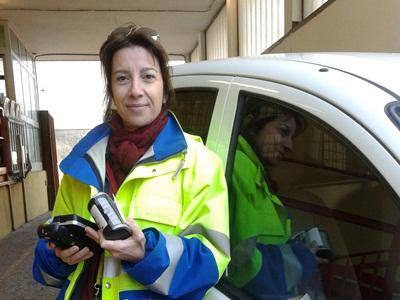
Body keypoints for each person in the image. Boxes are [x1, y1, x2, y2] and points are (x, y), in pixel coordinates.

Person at [32, 24, 230, 300]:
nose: (136, 90)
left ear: (164, 87)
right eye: (122, 78)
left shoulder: (200, 164)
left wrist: (146, 253)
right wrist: (59, 255)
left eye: (148, 77)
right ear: (111, 91)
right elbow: (47, 270)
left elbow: (213, 263)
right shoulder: (80, 164)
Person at [228, 101, 318, 299]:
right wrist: (303, 259)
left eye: (291, 136)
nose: (289, 145)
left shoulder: (254, 171)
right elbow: (240, 265)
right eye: (283, 131)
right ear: (252, 125)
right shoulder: (236, 168)